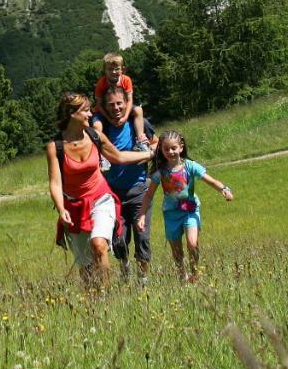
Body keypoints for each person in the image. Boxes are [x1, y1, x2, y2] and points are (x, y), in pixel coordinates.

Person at [47, 91, 155, 289]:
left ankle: (106, 297)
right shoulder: (56, 147)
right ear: (72, 114)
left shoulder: (94, 136)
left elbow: (119, 157)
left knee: (99, 244)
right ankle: (93, 303)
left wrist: (150, 155)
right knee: (86, 267)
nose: (91, 115)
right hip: (74, 206)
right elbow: (55, 183)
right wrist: (61, 209)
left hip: (100, 198)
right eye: (86, 111)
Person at [137, 130, 234, 282]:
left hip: (190, 210)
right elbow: (149, 195)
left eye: (174, 148)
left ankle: (195, 274)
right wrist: (142, 215)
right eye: (166, 149)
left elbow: (211, 180)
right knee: (177, 251)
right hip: (171, 214)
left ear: (181, 147)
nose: (170, 152)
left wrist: (223, 189)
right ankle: (183, 276)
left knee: (192, 243)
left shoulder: (190, 166)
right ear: (161, 150)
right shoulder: (160, 173)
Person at [91, 85, 153, 284]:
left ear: (127, 104)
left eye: (119, 103)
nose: (116, 108)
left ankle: (143, 280)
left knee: (142, 237)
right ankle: (125, 268)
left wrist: (150, 153)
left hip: (139, 190)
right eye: (111, 105)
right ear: (105, 108)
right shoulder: (102, 127)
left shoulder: (138, 124)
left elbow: (157, 144)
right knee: (119, 240)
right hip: (113, 195)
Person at [93, 54, 149, 150]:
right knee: (96, 125)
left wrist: (125, 117)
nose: (113, 72)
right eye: (110, 69)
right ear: (105, 70)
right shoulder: (101, 83)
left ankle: (140, 141)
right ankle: (99, 148)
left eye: (117, 69)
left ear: (122, 69)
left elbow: (130, 100)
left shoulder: (126, 80)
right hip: (104, 109)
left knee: (138, 110)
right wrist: (109, 119)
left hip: (122, 107)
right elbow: (99, 104)